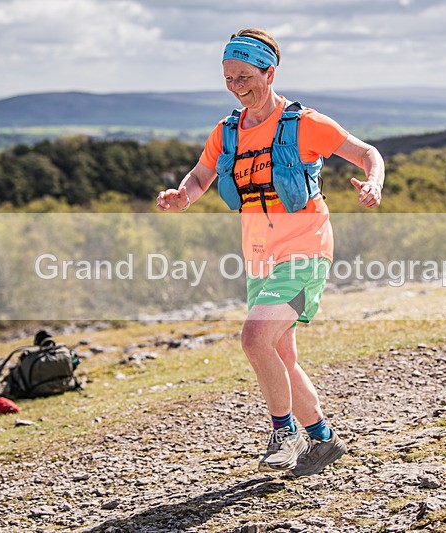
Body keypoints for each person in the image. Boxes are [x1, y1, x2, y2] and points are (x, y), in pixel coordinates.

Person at [156, 28, 384, 477]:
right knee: (281, 355)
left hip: (306, 251)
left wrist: (373, 183)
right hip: (260, 254)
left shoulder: (305, 124)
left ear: (269, 72)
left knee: (254, 338)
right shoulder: (226, 131)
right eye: (228, 76)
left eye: (244, 75)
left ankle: (285, 432)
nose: (236, 85)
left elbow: (366, 152)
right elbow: (201, 176)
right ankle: (321, 440)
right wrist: (182, 196)